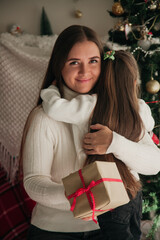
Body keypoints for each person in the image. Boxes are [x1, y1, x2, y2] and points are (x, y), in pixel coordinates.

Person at [21, 24, 160, 240]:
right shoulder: (44, 117)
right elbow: (34, 182)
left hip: (112, 228)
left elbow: (154, 163)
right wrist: (85, 197)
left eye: (93, 61)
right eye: (74, 62)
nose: (85, 72)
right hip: (56, 232)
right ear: (59, 65)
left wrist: (115, 142)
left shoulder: (122, 110)